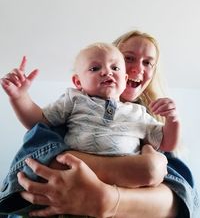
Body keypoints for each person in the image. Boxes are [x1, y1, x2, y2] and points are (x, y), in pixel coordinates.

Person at [1, 31, 199, 217]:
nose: (138, 68)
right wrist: (20, 98)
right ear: (79, 80)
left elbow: (180, 197)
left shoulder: (141, 115)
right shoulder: (75, 102)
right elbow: (39, 138)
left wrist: (172, 120)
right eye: (128, 58)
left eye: (148, 63)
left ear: (125, 77)